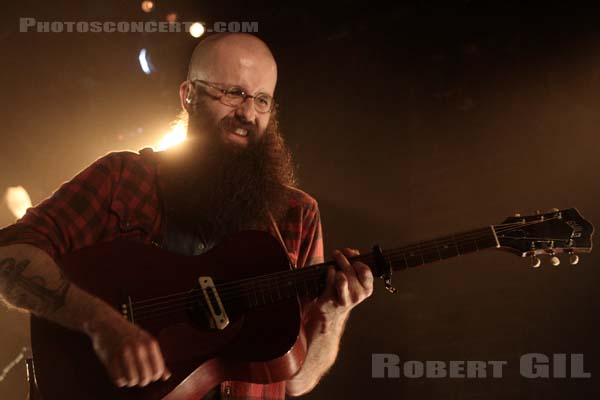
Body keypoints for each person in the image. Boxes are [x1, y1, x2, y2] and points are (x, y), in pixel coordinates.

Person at [0, 33, 374, 399]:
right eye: (233, 93)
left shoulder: (297, 215)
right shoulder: (122, 179)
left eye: (262, 100)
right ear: (189, 95)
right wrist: (101, 322)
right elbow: (9, 258)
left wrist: (333, 312)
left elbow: (295, 381)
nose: (247, 113)